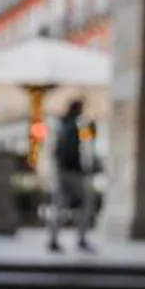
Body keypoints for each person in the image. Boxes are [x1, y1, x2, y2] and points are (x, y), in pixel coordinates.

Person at [43, 99, 95, 253]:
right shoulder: (75, 126)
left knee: (59, 206)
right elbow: (78, 149)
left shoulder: (60, 124)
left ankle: (54, 239)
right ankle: (80, 238)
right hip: (71, 172)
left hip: (61, 171)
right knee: (85, 203)